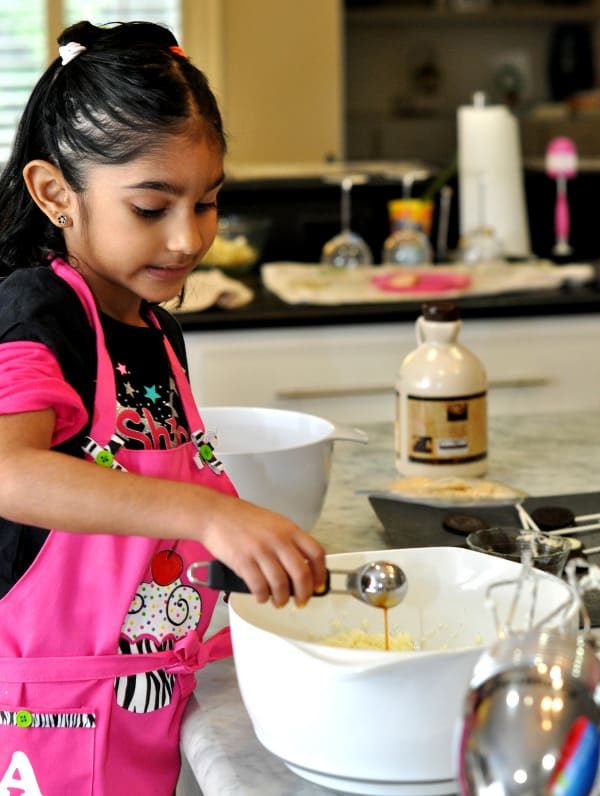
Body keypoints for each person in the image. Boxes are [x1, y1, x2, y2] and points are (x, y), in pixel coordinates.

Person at [0, 20, 326, 795]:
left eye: (207, 203)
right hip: (49, 714)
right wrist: (206, 515)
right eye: (152, 208)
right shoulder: (36, 311)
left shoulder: (151, 323)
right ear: (55, 193)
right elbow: (9, 470)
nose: (187, 239)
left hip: (146, 687)